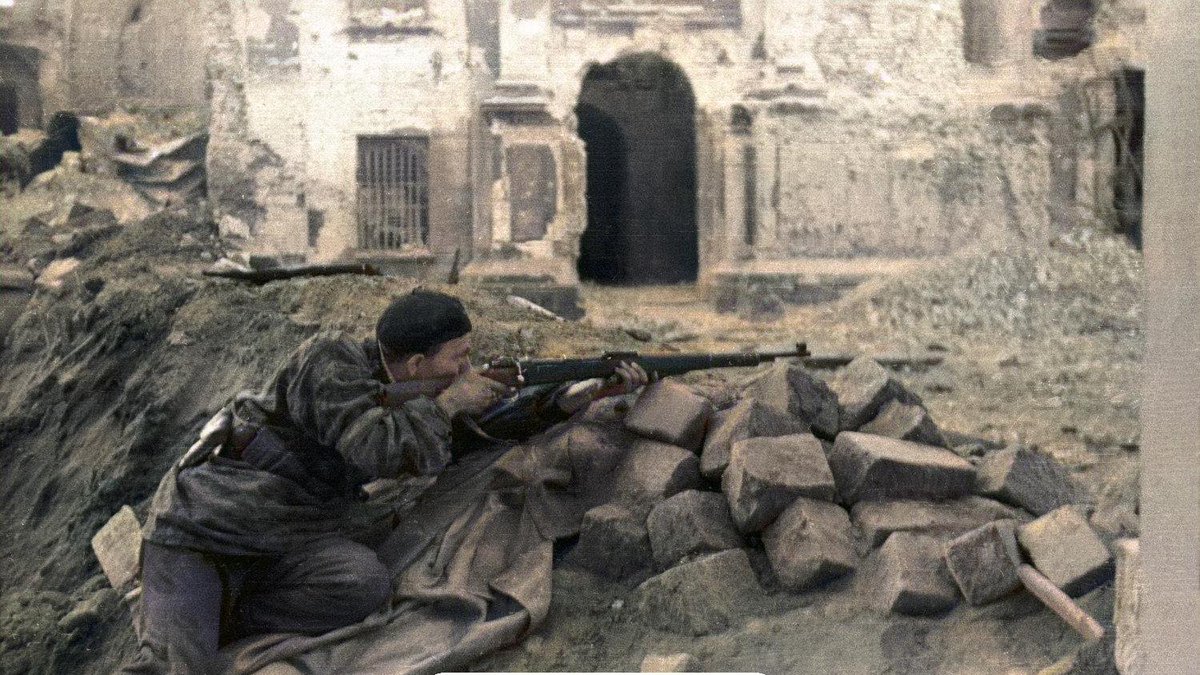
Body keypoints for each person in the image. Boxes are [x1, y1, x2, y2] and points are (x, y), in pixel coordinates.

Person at [123, 289, 647, 674]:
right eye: (458, 358)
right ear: (417, 363)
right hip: (206, 529)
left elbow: (468, 436)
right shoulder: (327, 362)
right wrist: (444, 406)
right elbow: (379, 450)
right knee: (171, 669)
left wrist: (566, 400)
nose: (467, 369)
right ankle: (195, 615)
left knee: (363, 585)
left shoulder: (415, 391)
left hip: (289, 535)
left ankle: (227, 612)